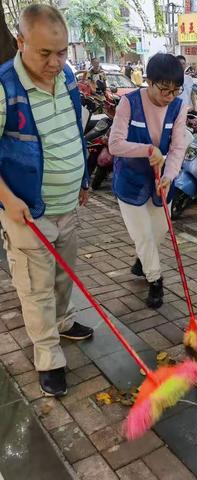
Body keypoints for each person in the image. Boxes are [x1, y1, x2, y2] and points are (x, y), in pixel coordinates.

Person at [0, 4, 92, 397]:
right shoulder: (5, 87)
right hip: (26, 213)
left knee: (63, 275)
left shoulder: (67, 76)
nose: (56, 62)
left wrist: (84, 178)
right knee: (36, 287)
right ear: (21, 43)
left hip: (67, 205)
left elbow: (73, 129)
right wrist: (7, 199)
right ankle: (48, 356)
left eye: (62, 52)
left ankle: (65, 322)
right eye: (45, 53)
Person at [109, 54, 188, 308]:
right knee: (143, 235)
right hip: (131, 181)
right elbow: (115, 144)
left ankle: (142, 262)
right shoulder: (128, 103)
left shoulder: (178, 106)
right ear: (149, 82)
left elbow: (177, 148)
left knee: (157, 233)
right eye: (165, 89)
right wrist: (148, 150)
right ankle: (156, 281)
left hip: (161, 183)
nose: (170, 96)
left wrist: (169, 175)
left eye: (176, 90)